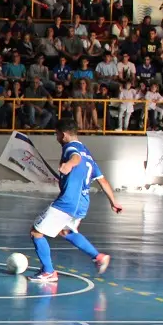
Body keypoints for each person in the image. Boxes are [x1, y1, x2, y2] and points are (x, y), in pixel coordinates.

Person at [29, 121, 121, 283]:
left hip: (68, 202)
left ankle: (49, 272)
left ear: (63, 135)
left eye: (57, 134)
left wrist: (68, 165)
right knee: (65, 231)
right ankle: (98, 257)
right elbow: (103, 181)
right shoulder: (88, 155)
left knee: (36, 232)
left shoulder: (71, 148)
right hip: (82, 203)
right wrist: (113, 202)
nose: (56, 138)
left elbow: (75, 158)